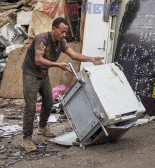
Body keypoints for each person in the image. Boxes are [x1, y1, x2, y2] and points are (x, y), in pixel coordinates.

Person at [21, 17, 104, 152]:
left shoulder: (61, 41)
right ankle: (27, 139)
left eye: (65, 32)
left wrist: (91, 58)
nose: (64, 35)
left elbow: (73, 55)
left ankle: (42, 128)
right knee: (30, 106)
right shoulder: (42, 39)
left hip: (43, 74)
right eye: (61, 32)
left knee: (48, 102)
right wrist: (58, 65)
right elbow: (38, 60)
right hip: (30, 74)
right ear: (54, 29)